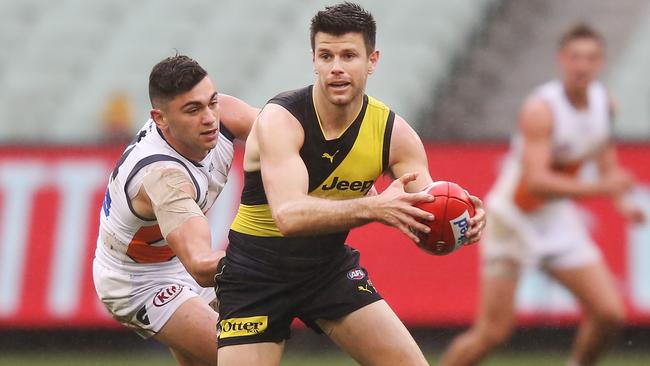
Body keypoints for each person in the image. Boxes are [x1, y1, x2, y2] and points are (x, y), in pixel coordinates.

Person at [215, 3, 486, 366]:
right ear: (313, 60)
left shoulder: (395, 135)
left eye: (348, 55)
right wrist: (373, 208)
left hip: (326, 269)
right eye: (326, 55)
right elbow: (288, 216)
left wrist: (460, 216)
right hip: (255, 274)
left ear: (372, 61)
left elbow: (426, 201)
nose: (336, 67)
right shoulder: (281, 119)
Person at [439, 24, 645, 366]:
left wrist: (623, 203)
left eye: (591, 57)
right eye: (575, 57)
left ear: (601, 62)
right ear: (561, 60)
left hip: (554, 218)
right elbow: (536, 182)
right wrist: (602, 188)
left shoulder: (603, 104)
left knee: (609, 314)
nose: (582, 65)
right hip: (511, 219)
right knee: (493, 332)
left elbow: (605, 161)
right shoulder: (541, 109)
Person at [92, 54, 258, 366]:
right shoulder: (162, 178)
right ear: (160, 119)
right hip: (137, 280)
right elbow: (200, 263)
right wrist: (278, 255)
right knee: (243, 357)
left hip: (174, 256)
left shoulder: (225, 115)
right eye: (193, 110)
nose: (209, 117)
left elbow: (291, 137)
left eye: (211, 102)